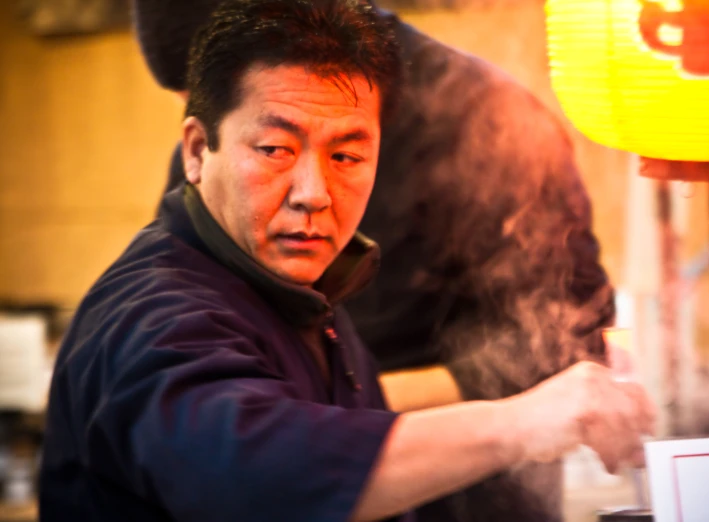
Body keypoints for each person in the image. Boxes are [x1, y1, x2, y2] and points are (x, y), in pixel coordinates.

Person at [38, 1, 654, 521]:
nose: (313, 194)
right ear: (201, 147)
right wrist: (512, 423)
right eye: (274, 146)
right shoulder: (160, 311)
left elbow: (567, 334)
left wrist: (350, 414)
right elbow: (251, 466)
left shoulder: (482, 124)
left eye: (348, 156)